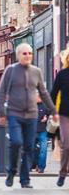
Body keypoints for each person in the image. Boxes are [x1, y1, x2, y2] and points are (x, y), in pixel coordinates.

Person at [0, 43, 57, 189]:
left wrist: (54, 111)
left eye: (30, 53)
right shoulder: (10, 71)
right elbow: (1, 92)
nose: (28, 56)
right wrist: (1, 113)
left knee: (29, 147)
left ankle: (25, 179)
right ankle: (11, 171)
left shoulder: (36, 71)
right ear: (18, 55)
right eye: (25, 53)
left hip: (31, 115)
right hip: (14, 113)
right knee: (16, 142)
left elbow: (43, 93)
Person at [51, 47, 69, 187]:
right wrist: (53, 112)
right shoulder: (62, 75)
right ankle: (63, 173)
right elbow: (53, 93)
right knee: (67, 145)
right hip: (64, 114)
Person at [33, 93, 50, 173]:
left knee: (43, 149)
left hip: (42, 131)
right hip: (32, 131)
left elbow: (50, 113)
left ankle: (41, 167)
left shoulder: (45, 105)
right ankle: (32, 165)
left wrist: (46, 117)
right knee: (32, 150)